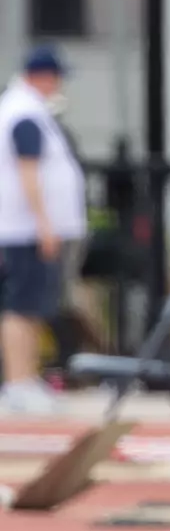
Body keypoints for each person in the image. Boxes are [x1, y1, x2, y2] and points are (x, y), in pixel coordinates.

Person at [0, 47, 85, 417]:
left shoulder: (25, 110)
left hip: (28, 227)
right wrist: (43, 222)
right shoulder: (25, 114)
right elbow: (28, 170)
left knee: (33, 307)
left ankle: (26, 379)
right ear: (45, 76)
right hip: (27, 228)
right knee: (21, 306)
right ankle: (18, 382)